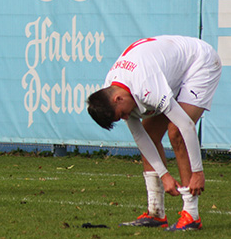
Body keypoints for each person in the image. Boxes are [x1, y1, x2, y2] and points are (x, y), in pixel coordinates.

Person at [87, 35, 221, 231]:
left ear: (117, 99)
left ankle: (191, 215)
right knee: (149, 132)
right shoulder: (113, 87)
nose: (126, 118)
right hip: (170, 72)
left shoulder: (145, 85)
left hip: (199, 62)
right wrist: (164, 175)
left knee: (176, 131)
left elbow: (186, 127)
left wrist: (198, 173)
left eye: (122, 114)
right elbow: (141, 138)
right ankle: (156, 213)